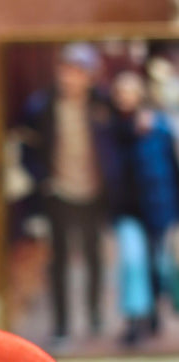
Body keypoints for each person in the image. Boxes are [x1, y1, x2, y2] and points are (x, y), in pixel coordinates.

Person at [21, 42, 119, 342]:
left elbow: (119, 140)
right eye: (66, 70)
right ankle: (62, 325)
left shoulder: (103, 105)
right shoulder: (41, 107)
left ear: (90, 76)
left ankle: (95, 316)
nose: (70, 78)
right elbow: (27, 148)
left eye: (78, 72)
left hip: (94, 192)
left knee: (94, 256)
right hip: (59, 192)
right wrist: (43, 179)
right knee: (59, 260)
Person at [111, 71, 179, 342]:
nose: (125, 97)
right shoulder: (111, 128)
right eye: (121, 92)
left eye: (130, 92)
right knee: (132, 262)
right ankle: (134, 319)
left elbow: (171, 167)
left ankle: (153, 312)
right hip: (127, 208)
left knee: (157, 263)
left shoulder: (158, 127)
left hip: (157, 206)